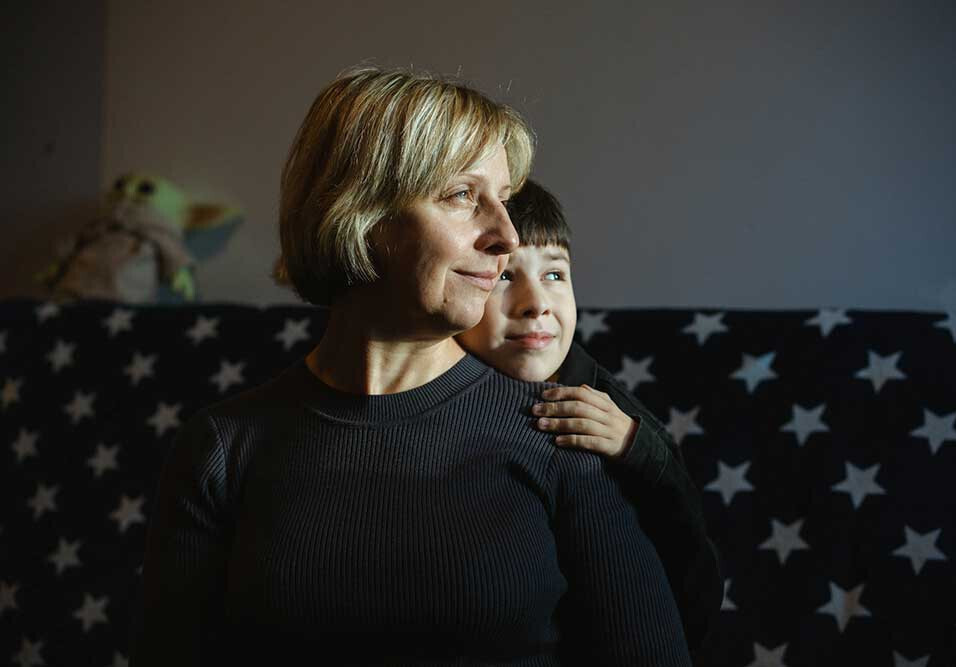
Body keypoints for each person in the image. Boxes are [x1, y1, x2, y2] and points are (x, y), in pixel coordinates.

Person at [130, 66, 692, 666]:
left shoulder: (561, 435)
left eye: (503, 201)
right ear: (360, 212)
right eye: (462, 195)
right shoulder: (223, 449)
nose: (506, 236)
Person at [454, 180, 723, 656]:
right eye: (505, 276)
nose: (536, 303)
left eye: (554, 274)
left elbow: (689, 552)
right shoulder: (435, 386)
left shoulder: (603, 404)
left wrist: (634, 446)